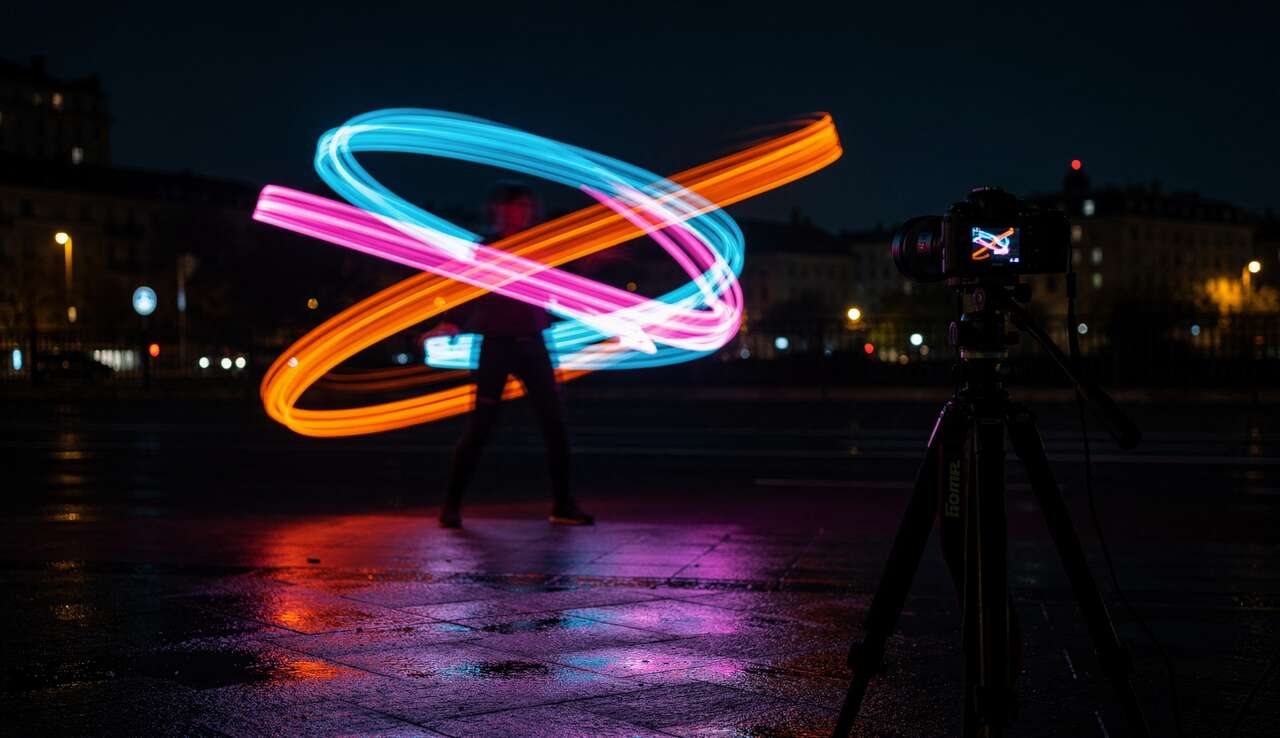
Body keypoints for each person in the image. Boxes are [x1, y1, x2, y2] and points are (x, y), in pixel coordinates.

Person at [432, 183, 593, 528]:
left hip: (532, 343)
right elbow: (470, 292)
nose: (525, 212)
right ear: (501, 210)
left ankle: (563, 505)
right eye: (518, 206)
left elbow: (560, 284)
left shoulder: (539, 247)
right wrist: (451, 323)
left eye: (527, 207)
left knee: (554, 425)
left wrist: (589, 263)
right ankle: (451, 506)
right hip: (497, 344)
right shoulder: (486, 250)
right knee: (481, 427)